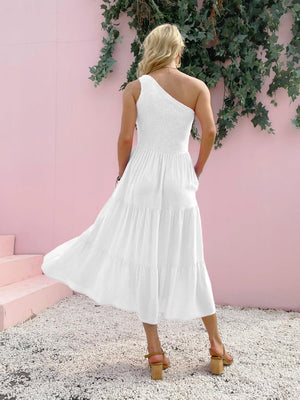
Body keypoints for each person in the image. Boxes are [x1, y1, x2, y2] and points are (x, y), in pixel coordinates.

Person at [41, 23, 233, 380]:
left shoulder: (135, 88)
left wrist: (122, 175)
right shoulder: (196, 87)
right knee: (191, 260)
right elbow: (209, 131)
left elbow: (125, 140)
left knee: (146, 263)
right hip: (179, 179)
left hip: (141, 179)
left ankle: (156, 353)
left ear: (151, 49)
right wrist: (197, 169)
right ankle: (217, 345)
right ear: (177, 51)